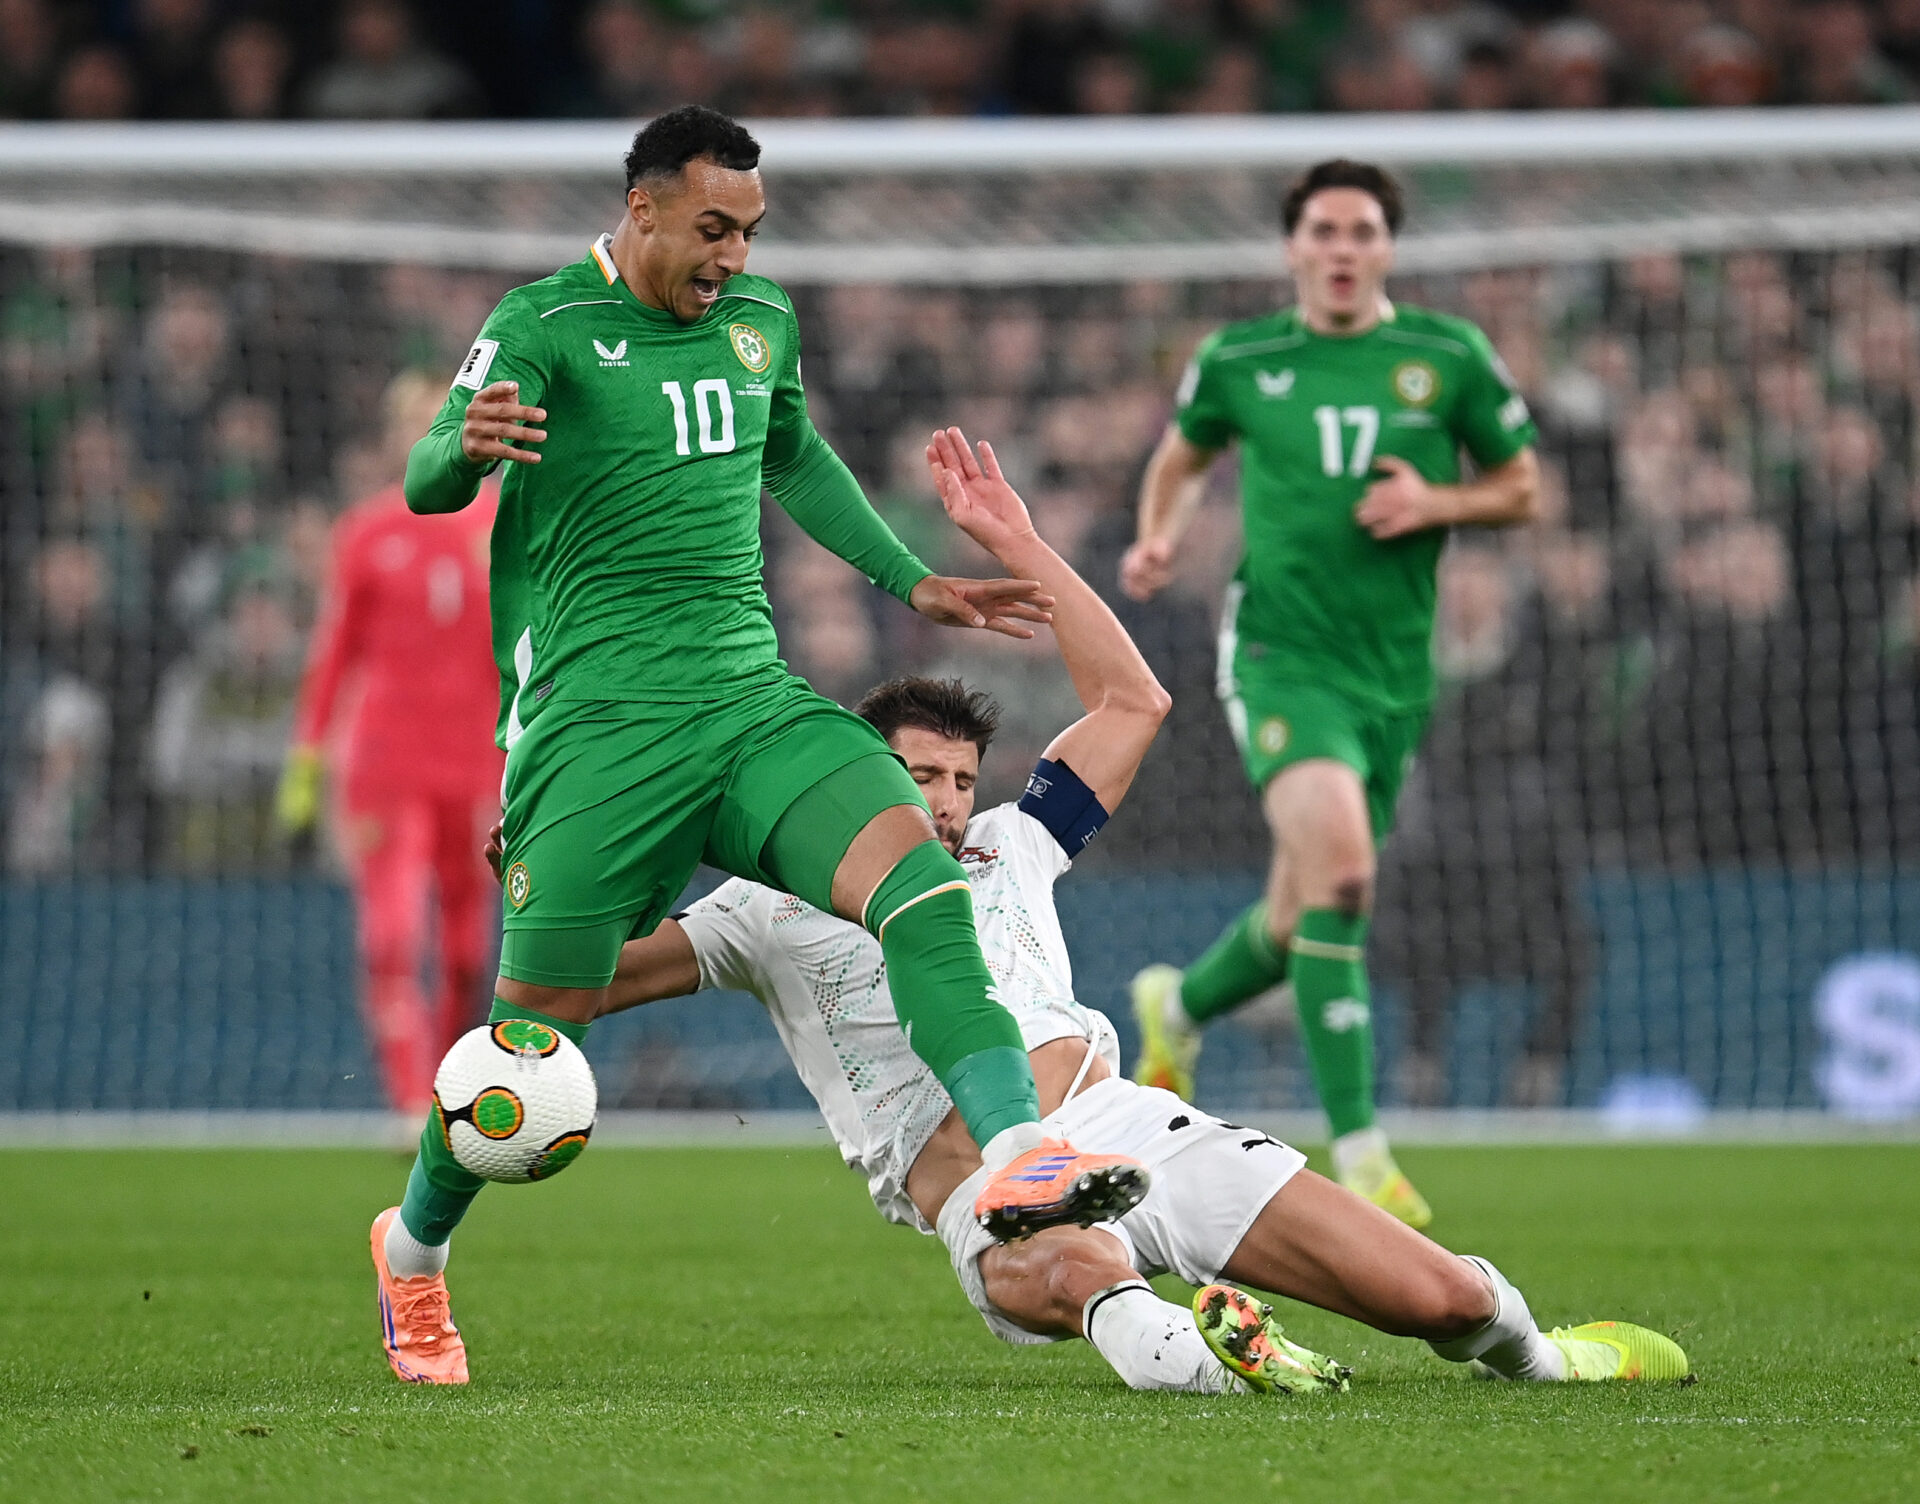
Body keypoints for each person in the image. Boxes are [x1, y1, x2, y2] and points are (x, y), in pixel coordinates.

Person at [577, 431, 1685, 1394]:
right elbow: (593, 975)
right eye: (918, 776)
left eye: (962, 780)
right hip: (983, 1177)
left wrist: (1017, 541)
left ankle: (1544, 1358)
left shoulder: (1016, 840)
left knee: (1440, 1299)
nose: (947, 802)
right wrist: (568, 860)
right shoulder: (768, 905)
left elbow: (1133, 701)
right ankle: (1201, 1351)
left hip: (1125, 1124)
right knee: (1067, 1264)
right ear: (855, 775)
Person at [368, 108, 1141, 1385]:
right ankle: (414, 1251)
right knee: (525, 1049)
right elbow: (429, 478)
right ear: (645, 209)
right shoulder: (544, 322)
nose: (732, 253)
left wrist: (913, 582)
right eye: (712, 228)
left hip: (749, 699)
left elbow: (793, 454)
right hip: (597, 735)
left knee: (923, 885)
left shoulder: (761, 324)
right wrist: (462, 444)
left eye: (750, 231)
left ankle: (1019, 1155)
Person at [1120, 159, 1541, 1228]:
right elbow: (1180, 457)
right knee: (1346, 875)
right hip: (1279, 657)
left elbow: (1522, 485)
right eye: (1324, 231)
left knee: (1298, 909)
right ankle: (1360, 1147)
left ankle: (1178, 1005)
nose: (1343, 249)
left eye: (1362, 231)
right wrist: (1159, 535)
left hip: (1396, 675)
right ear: (1293, 246)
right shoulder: (1242, 358)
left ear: (1387, 248)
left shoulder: (1444, 357)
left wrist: (1438, 498)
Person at [279, 373, 504, 1112]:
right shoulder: (368, 532)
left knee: (471, 952)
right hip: (386, 765)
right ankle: (410, 1102)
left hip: (480, 766)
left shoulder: (506, 526)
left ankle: (446, 1089)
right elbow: (334, 654)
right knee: (393, 933)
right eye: (413, 419)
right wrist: (308, 755)